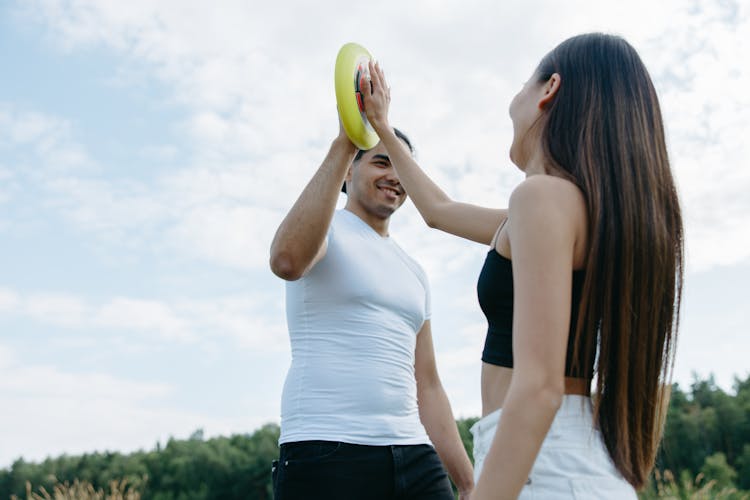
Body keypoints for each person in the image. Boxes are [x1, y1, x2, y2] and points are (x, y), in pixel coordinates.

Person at [362, 32, 683, 499]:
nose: (513, 106)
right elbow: (438, 211)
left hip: (540, 462)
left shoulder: (542, 198)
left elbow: (538, 388)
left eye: (522, 88)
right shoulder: (597, 213)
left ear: (548, 89)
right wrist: (384, 127)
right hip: (575, 460)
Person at [268, 120, 474, 499]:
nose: (394, 176)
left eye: (400, 165)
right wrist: (345, 142)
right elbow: (286, 261)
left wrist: (467, 481)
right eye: (382, 162)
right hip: (327, 447)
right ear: (349, 169)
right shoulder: (324, 230)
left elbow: (427, 383)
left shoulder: (414, 271)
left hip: (414, 455)